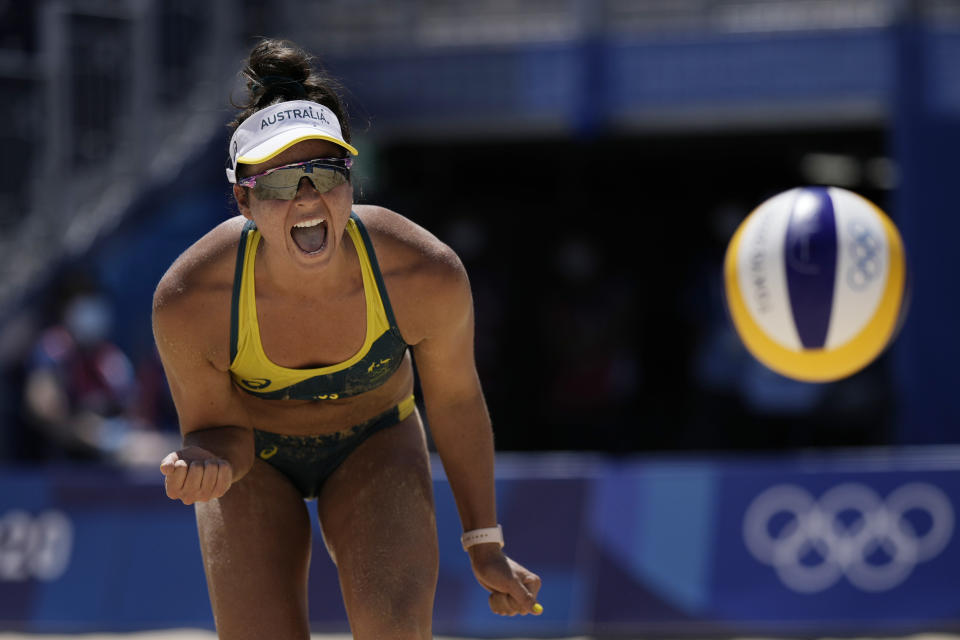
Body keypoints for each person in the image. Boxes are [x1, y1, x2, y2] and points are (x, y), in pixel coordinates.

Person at [152, 38, 541, 638]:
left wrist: (485, 542)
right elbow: (222, 437)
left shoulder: (422, 271)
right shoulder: (190, 299)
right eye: (281, 182)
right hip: (256, 463)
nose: (307, 196)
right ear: (243, 199)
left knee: (394, 628)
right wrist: (205, 466)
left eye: (324, 172)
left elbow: (457, 401)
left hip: (376, 443)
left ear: (350, 180)